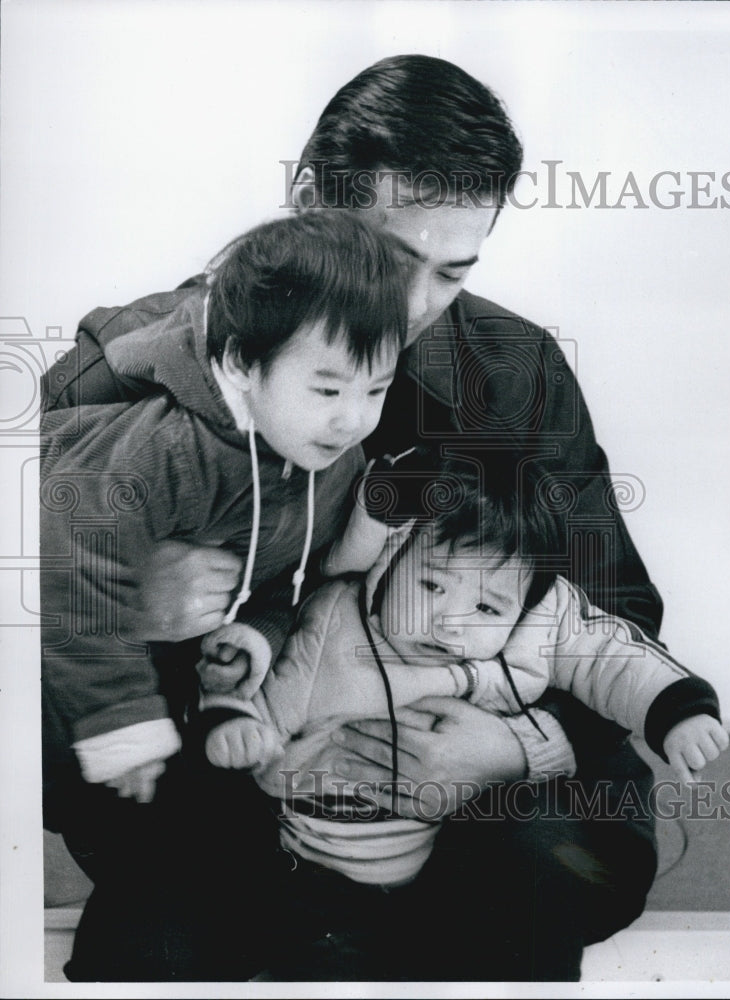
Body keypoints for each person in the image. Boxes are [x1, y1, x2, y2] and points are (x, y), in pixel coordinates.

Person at [42, 55, 673, 981]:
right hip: (242, 786)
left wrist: (507, 746)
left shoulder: (516, 367)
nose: (411, 308)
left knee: (546, 870)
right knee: (154, 946)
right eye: (387, 258)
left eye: (451, 273)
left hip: (481, 800)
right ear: (305, 198)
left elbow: (621, 615)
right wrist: (125, 606)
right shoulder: (130, 365)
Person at [197, 455, 726, 900]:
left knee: (487, 897)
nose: (451, 620)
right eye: (430, 586)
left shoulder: (532, 627)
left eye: (488, 607)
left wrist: (677, 711)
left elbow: (607, 657)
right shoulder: (336, 624)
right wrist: (240, 728)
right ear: (388, 560)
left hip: (448, 852)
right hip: (313, 849)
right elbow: (267, 694)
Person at [40, 211, 406, 822]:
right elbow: (66, 557)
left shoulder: (331, 457)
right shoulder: (176, 448)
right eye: (328, 390)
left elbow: (298, 567)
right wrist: (121, 720)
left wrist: (256, 631)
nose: (354, 419)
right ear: (240, 364)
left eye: (376, 390)